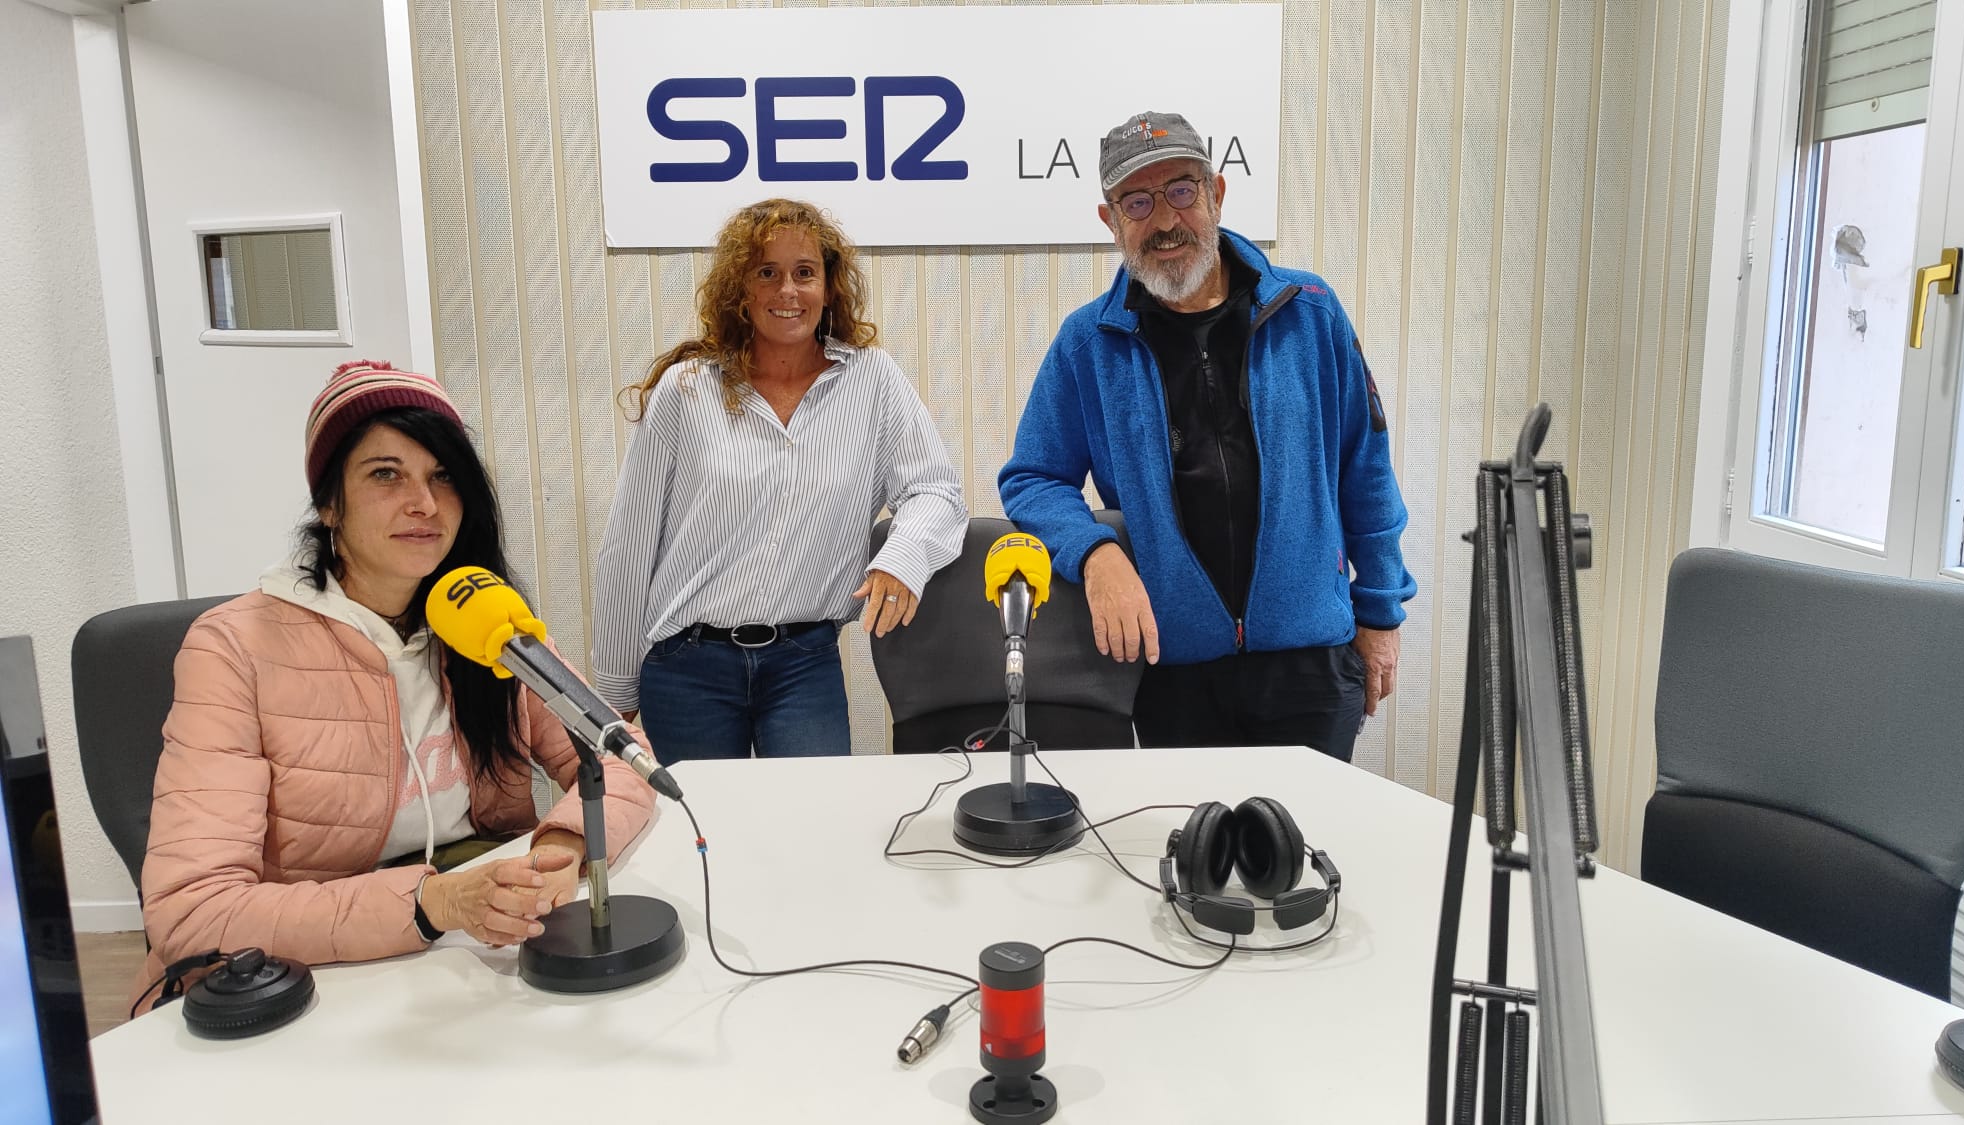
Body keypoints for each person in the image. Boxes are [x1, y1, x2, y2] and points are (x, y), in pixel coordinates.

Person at [134, 360, 657, 1009]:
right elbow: (191, 910)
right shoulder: (234, 647)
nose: (425, 503)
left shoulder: (483, 616)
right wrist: (428, 901)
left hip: (477, 950)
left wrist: (563, 840)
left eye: (444, 476)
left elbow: (619, 751)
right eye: (387, 474)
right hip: (318, 969)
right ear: (329, 502)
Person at [998, 112, 1417, 762]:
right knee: (1192, 857)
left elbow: (1365, 465)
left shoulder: (1309, 311)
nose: (1164, 219)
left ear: (1217, 193)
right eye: (1137, 201)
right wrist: (1096, 555)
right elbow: (1031, 477)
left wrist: (1381, 611)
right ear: (1111, 221)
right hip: (1173, 671)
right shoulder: (1089, 342)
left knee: (1300, 854)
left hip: (1310, 663)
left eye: (1182, 190)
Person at [593, 198, 967, 763]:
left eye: (804, 273)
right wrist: (615, 691)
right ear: (739, 290)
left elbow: (936, 491)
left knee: (810, 833)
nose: (787, 291)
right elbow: (630, 544)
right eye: (766, 272)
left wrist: (901, 556)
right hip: (687, 667)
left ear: (828, 286)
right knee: (700, 842)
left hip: (804, 664)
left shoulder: (871, 379)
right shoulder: (687, 389)